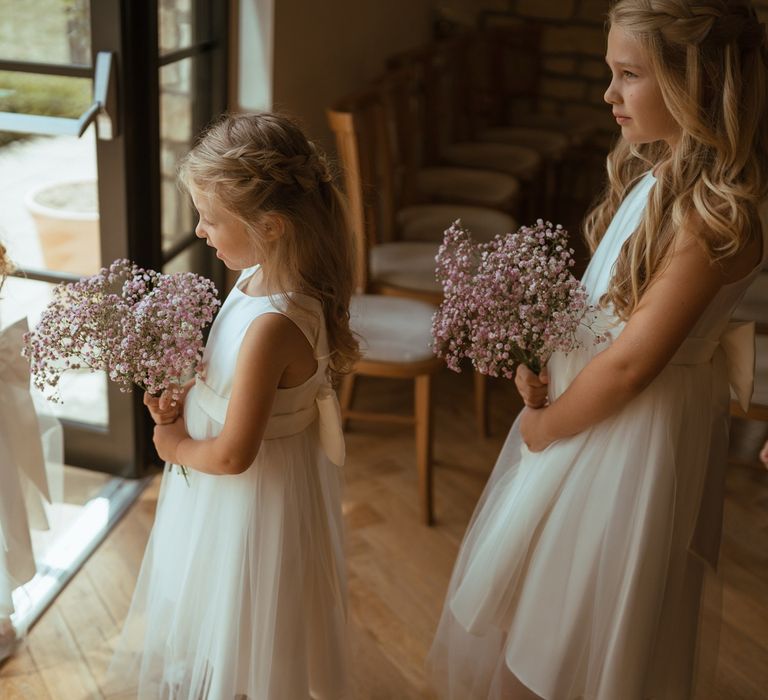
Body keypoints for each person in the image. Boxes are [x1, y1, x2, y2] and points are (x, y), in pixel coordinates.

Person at [429, 1, 768, 698]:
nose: (609, 94)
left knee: (584, 619)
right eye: (608, 73)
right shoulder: (659, 174)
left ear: (696, 84)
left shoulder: (712, 215)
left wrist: (546, 427)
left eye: (628, 75)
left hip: (633, 440)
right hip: (589, 415)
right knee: (540, 603)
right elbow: (601, 321)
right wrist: (545, 362)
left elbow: (632, 362)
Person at [107, 113, 358, 699]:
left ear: (268, 225)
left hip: (253, 502)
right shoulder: (259, 278)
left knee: (248, 627)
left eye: (210, 219)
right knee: (226, 624)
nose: (199, 231)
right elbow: (239, 385)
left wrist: (171, 445)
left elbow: (232, 455)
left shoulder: (276, 321)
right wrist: (190, 396)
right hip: (234, 499)